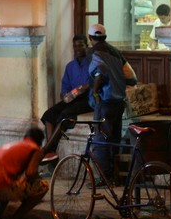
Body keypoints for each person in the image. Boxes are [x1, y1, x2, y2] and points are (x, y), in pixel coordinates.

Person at [86, 23, 137, 183]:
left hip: (105, 102)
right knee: (114, 139)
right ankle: (115, 176)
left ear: (90, 38)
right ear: (105, 37)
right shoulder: (116, 52)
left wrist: (95, 91)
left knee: (101, 139)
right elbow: (131, 77)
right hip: (118, 103)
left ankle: (105, 177)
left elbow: (99, 72)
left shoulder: (95, 52)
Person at [40, 34, 93, 156]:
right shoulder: (70, 66)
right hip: (73, 99)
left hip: (87, 100)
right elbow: (65, 89)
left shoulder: (92, 63)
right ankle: (51, 149)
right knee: (48, 115)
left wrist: (85, 87)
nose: (78, 49)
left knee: (65, 115)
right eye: (75, 46)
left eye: (81, 45)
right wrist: (66, 95)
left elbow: (96, 82)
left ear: (87, 46)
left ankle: (47, 149)